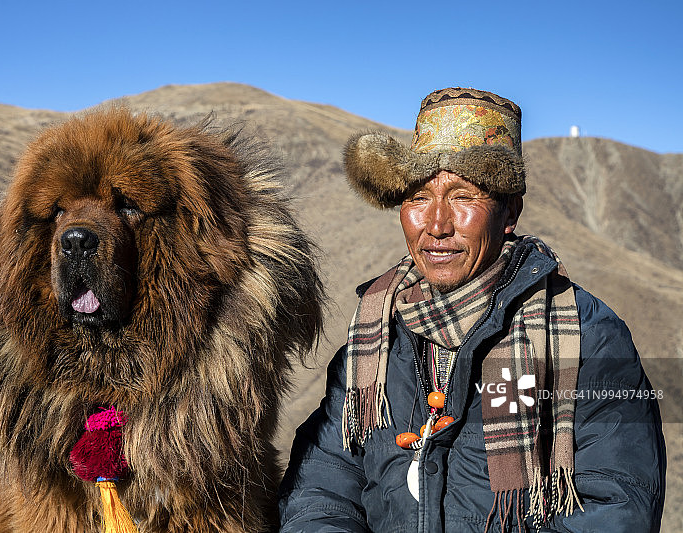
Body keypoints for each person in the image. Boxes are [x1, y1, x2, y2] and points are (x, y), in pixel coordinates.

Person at [278, 88, 666, 532]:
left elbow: (615, 507)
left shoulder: (587, 336)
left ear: (509, 213)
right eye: (419, 198)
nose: (437, 225)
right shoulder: (375, 333)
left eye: (463, 197)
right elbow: (322, 488)